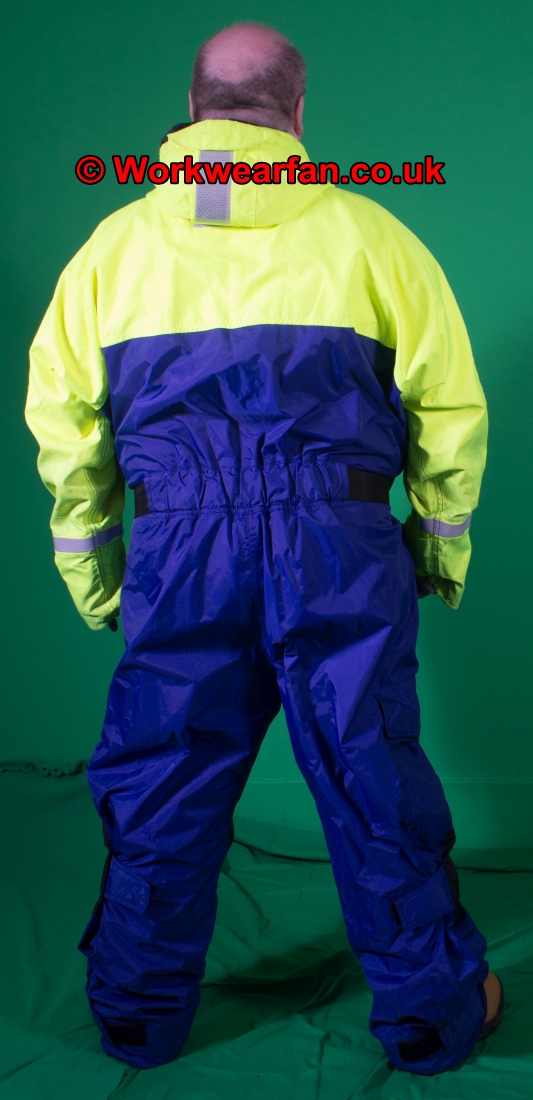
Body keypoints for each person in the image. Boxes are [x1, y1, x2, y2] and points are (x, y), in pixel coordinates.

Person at [26, 21, 501, 1075]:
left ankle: (138, 1019)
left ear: (191, 110)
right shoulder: (375, 237)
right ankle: (432, 1018)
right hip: (339, 542)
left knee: (163, 775)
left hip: (180, 548)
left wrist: (98, 577)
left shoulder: (110, 251)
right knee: (371, 772)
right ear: (296, 112)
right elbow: (447, 409)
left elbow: (67, 432)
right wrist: (436, 551)